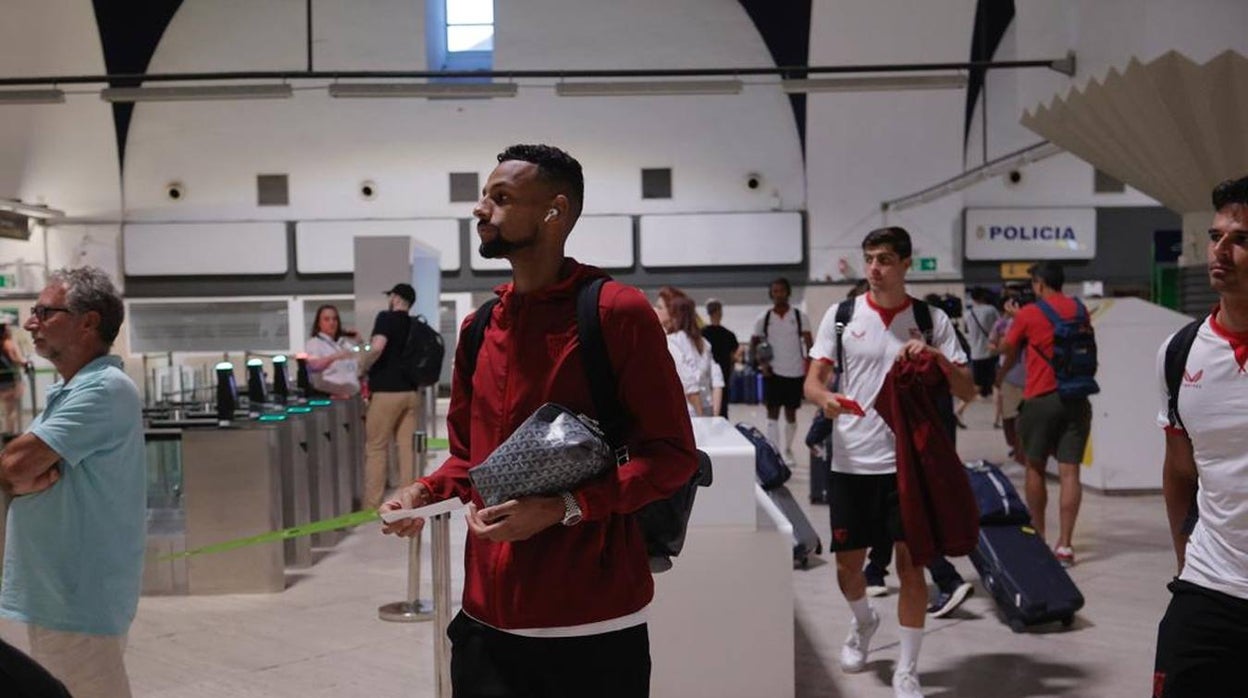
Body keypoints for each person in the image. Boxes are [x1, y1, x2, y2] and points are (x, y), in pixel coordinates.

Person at [380, 144, 698, 698]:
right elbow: (468, 460)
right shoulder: (481, 328)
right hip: (486, 622)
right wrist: (422, 491)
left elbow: (671, 457)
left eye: (500, 198)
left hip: (592, 625)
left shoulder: (614, 314)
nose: (481, 209)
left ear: (555, 211)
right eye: (484, 197)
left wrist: (563, 509)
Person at [804, 227, 974, 698]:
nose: (874, 269)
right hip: (851, 460)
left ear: (904, 264)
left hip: (907, 464)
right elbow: (812, 382)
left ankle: (908, 667)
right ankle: (864, 622)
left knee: (911, 567)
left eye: (883, 260)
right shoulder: (841, 317)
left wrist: (938, 357)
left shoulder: (931, 318)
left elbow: (967, 389)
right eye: (869, 259)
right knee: (847, 567)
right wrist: (826, 399)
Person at [0, 267, 145, 698]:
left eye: (45, 312)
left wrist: (16, 478)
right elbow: (18, 469)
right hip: (59, 596)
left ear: (88, 321)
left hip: (77, 602)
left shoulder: (103, 389)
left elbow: (13, 467)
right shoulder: (72, 389)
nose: (31, 323)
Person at [1152, 175, 1248, 697]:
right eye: (1216, 237)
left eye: (1242, 240)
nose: (1222, 251)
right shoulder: (1179, 352)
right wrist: (1186, 559)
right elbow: (1179, 470)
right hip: (1208, 586)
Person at [997, 261, 1091, 567]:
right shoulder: (1079, 310)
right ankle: (1065, 545)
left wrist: (1000, 376)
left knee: (1034, 467)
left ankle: (1037, 536)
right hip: (1076, 397)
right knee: (1070, 472)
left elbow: (1007, 351)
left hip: (1039, 397)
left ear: (1038, 284)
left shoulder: (1028, 314)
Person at [357, 283, 421, 509]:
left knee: (376, 447)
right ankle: (409, 501)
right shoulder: (415, 324)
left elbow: (377, 347)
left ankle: (372, 504)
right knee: (407, 449)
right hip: (411, 392)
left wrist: (362, 367)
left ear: (395, 297)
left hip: (386, 392)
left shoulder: (386, 317)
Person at [751, 277, 813, 462]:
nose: (779, 294)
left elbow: (810, 344)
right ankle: (774, 451)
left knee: (791, 414)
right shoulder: (764, 318)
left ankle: (787, 449)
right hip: (773, 371)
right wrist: (762, 365)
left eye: (782, 290)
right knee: (772, 412)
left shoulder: (799, 317)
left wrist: (811, 369)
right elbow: (754, 344)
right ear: (771, 294)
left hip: (795, 371)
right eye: (775, 291)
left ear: (788, 292)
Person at [657, 287, 724, 418]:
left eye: (660, 307)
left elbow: (690, 384)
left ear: (673, 313)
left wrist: (701, 419)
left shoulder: (671, 342)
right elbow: (717, 380)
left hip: (690, 414)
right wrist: (714, 418)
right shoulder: (703, 342)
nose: (655, 311)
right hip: (708, 409)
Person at [988, 287, 1026, 467]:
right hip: (1015, 374)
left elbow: (1005, 349)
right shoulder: (1002, 323)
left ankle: (1019, 453)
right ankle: (1017, 450)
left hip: (1013, 374)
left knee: (1014, 417)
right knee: (1012, 417)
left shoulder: (1020, 322)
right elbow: (993, 343)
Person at [957, 287, 1000, 427]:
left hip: (975, 353)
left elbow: (968, 331)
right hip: (991, 353)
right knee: (996, 386)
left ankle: (959, 410)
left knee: (977, 387)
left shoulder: (967, 313)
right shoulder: (991, 310)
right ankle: (997, 419)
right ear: (983, 296)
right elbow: (999, 327)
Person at [304, 304, 360, 396]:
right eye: (327, 319)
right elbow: (313, 366)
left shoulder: (344, 344)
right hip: (330, 396)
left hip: (351, 396)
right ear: (319, 323)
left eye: (334, 319)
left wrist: (360, 342)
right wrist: (334, 357)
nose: (332, 322)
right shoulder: (315, 343)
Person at [701, 299, 740, 419]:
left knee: (706, 404)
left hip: (706, 375)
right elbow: (735, 356)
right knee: (722, 407)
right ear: (720, 312)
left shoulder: (701, 333)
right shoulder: (728, 335)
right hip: (723, 374)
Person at [0, 323, 26, 434]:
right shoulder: (9, 343)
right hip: (11, 381)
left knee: (4, 410)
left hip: (1, 380)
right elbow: (16, 360)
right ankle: (9, 435)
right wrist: (25, 362)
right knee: (11, 410)